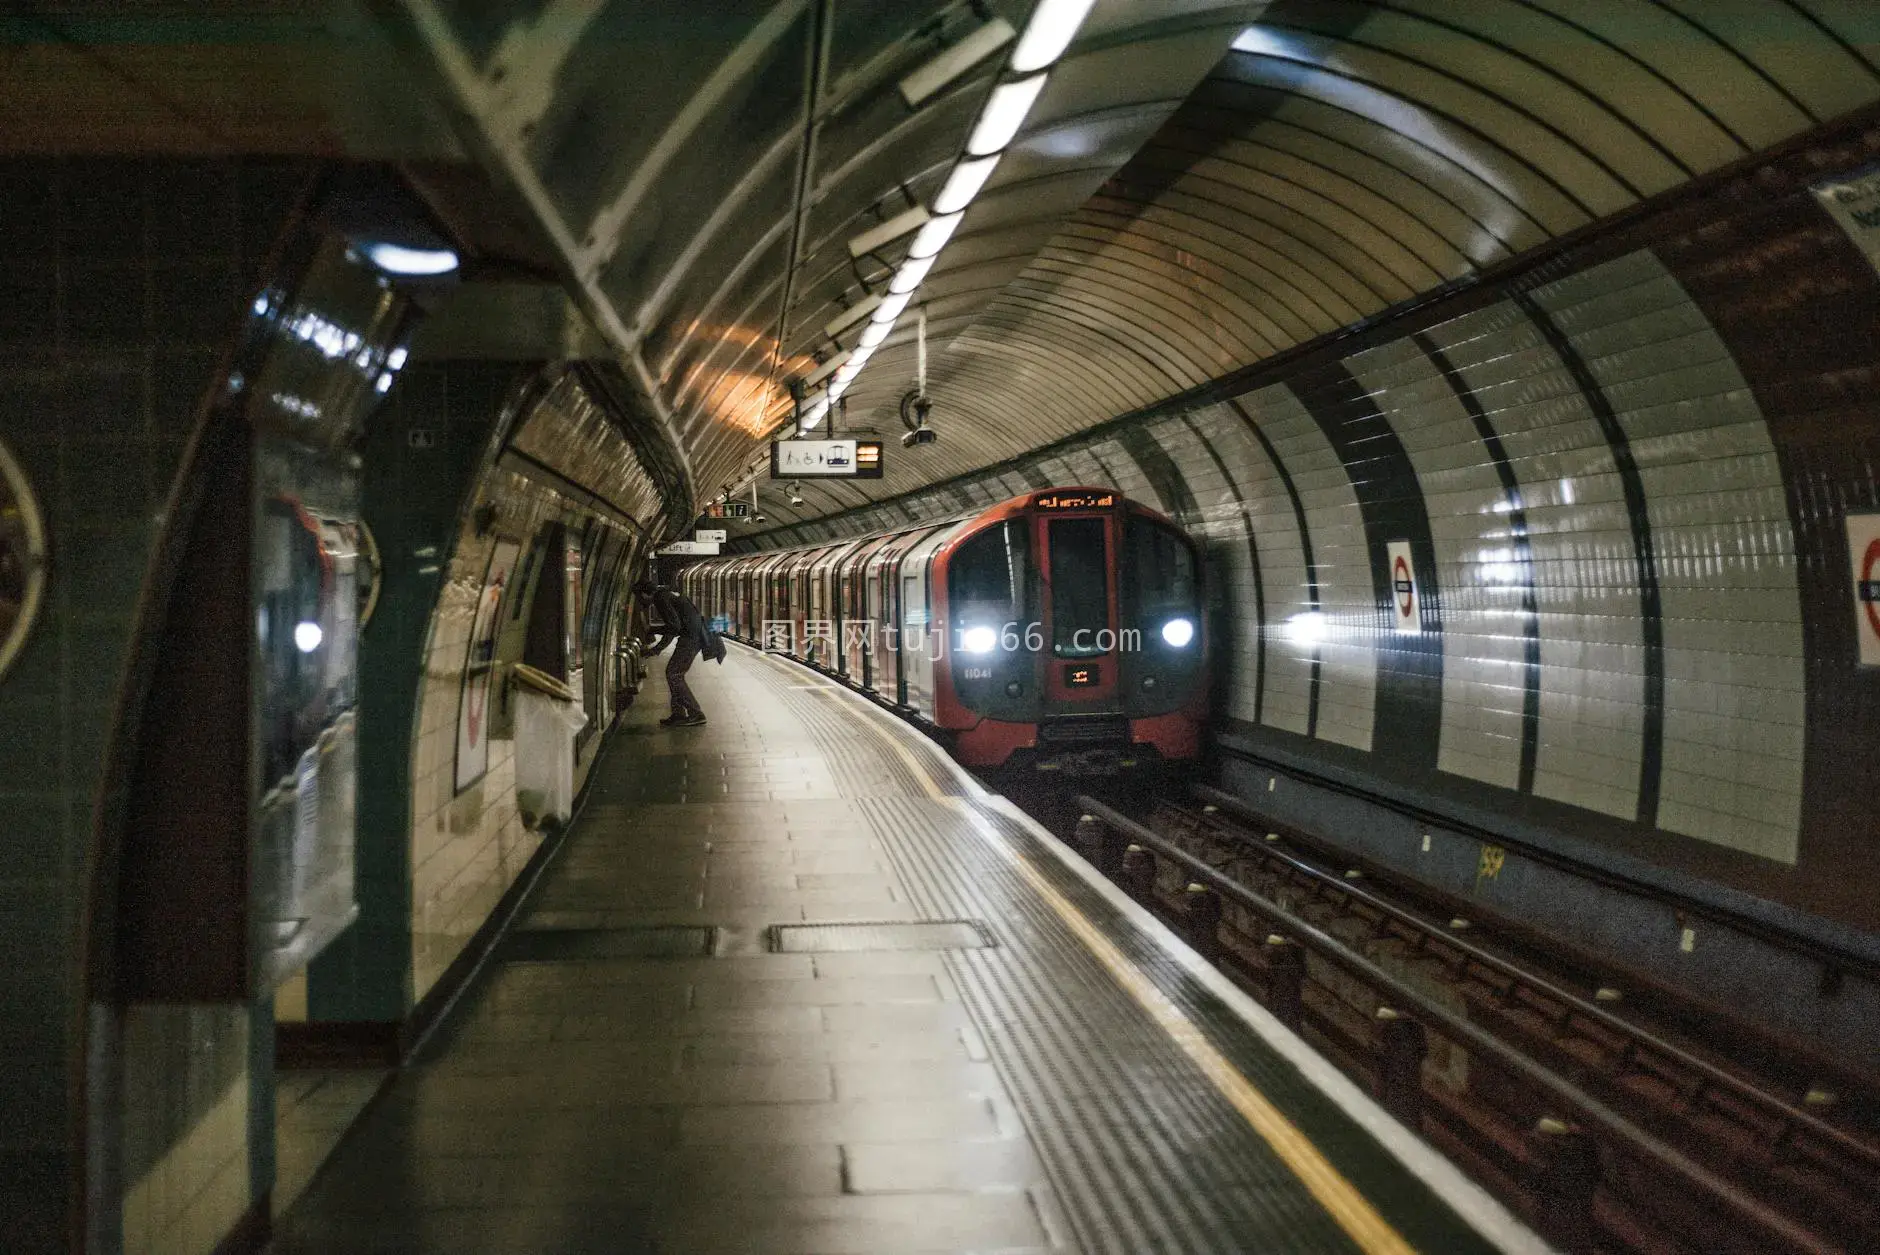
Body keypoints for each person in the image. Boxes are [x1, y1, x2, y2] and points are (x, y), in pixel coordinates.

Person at [635, 576, 724, 727]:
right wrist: (654, 630)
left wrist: (657, 649)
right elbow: (675, 624)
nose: (640, 601)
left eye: (639, 597)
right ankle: (678, 714)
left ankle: (696, 713)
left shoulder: (660, 599)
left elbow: (674, 627)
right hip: (693, 635)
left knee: (674, 674)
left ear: (645, 594)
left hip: (691, 638)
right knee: (675, 674)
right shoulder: (666, 593)